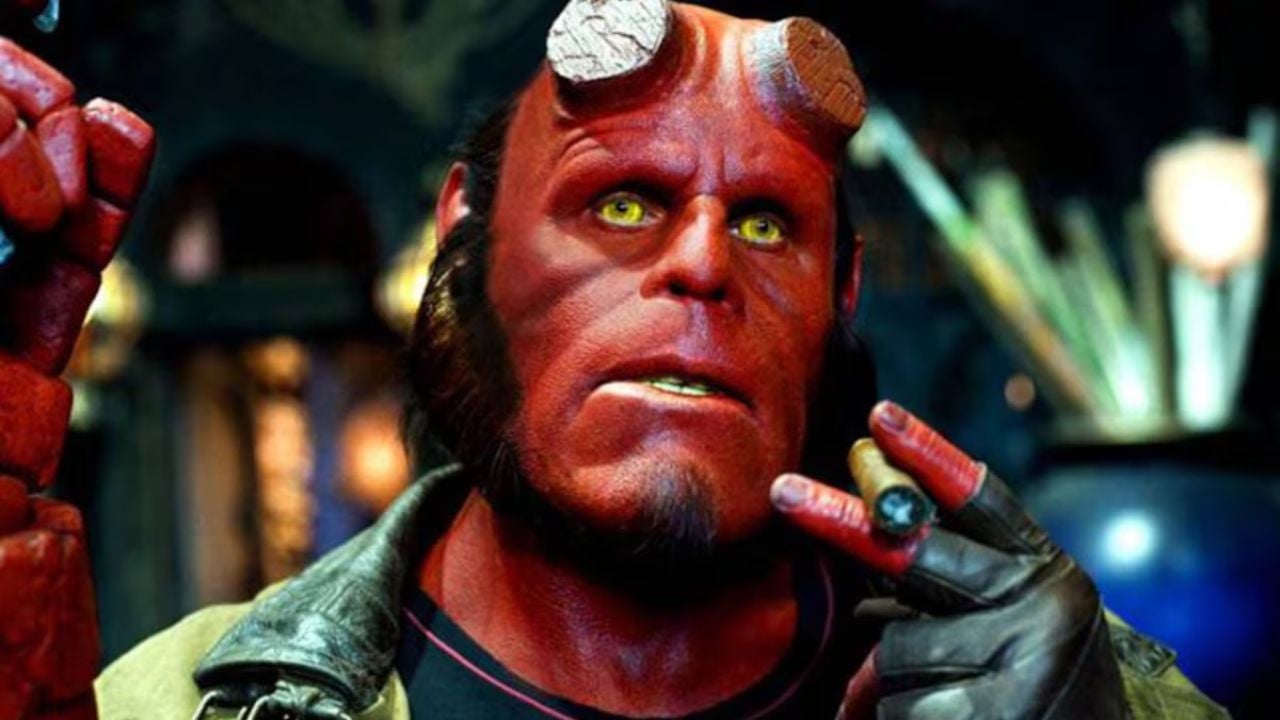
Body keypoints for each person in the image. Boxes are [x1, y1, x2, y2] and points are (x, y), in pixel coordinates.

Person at [1, 1, 1229, 718]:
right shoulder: (177, 704)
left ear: (839, 297)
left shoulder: (1078, 694)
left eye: (766, 224)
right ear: (466, 238)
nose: (702, 262)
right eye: (624, 202)